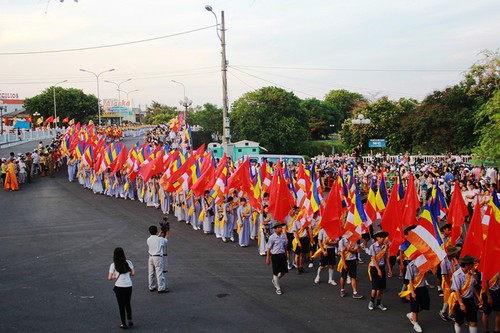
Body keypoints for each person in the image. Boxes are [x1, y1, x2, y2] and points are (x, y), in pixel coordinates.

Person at [450, 255, 480, 333]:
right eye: (472, 264)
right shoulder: (457, 275)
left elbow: (473, 286)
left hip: (470, 300)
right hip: (460, 300)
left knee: (473, 321)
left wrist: (478, 298)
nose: (473, 265)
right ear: (467, 265)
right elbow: (457, 291)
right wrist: (461, 304)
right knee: (459, 322)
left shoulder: (470, 273)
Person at [108, 247, 135, 329]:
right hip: (128, 285)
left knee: (121, 305)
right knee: (127, 303)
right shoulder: (128, 262)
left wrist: (114, 276)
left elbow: (109, 278)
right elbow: (133, 273)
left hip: (119, 286)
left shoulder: (113, 265)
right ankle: (129, 318)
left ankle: (123, 323)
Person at [402, 259, 430, 333]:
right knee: (415, 306)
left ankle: (411, 315)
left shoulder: (423, 263)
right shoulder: (410, 266)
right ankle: (415, 323)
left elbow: (424, 274)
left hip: (423, 286)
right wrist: (412, 292)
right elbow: (410, 280)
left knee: (425, 305)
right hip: (414, 288)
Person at [368, 230, 391, 311]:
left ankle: (378, 302)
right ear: (377, 238)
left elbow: (386, 258)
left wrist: (389, 269)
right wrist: (378, 270)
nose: (382, 238)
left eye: (383, 237)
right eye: (380, 237)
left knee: (381, 287)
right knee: (375, 287)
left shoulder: (385, 247)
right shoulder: (373, 246)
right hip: (374, 268)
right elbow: (374, 259)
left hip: (382, 267)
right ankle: (371, 301)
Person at [265, 221, 288, 295]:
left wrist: (286, 253)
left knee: (284, 271)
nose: (280, 229)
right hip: (275, 256)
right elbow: (268, 248)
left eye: (280, 227)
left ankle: (275, 280)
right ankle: (278, 288)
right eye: (278, 227)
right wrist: (268, 258)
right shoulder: (272, 237)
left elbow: (285, 245)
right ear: (275, 229)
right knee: (275, 272)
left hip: (282, 255)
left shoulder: (283, 235)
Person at [147, 225, 168, 293]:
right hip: (158, 257)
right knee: (159, 272)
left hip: (151, 257)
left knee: (151, 273)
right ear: (156, 231)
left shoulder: (148, 239)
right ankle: (161, 287)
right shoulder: (160, 239)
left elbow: (156, 239)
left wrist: (160, 233)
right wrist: (166, 232)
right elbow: (165, 240)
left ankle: (151, 286)